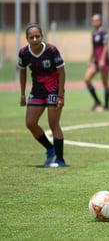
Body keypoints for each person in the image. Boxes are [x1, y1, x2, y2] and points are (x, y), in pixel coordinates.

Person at [18, 23, 66, 167]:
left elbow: (62, 72)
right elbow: (22, 72)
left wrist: (60, 95)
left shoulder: (51, 50)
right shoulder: (23, 53)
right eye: (31, 37)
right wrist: (22, 94)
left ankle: (60, 160)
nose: (34, 39)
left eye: (37, 36)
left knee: (53, 124)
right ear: (27, 38)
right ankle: (50, 148)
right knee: (30, 123)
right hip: (37, 91)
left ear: (42, 36)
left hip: (53, 89)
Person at [84, 14, 109, 111]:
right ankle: (97, 101)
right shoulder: (93, 33)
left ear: (100, 21)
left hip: (104, 61)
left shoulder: (104, 32)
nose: (94, 22)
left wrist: (103, 59)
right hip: (96, 61)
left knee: (105, 83)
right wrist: (89, 60)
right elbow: (94, 48)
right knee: (87, 79)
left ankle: (107, 106)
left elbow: (105, 46)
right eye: (93, 20)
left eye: (96, 20)